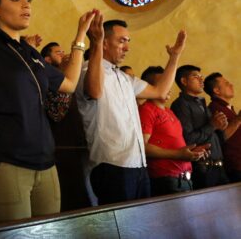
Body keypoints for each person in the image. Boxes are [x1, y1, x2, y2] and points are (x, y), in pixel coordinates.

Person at [0, 0, 96, 223]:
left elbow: (68, 85)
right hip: (4, 161)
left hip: (45, 161)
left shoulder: (31, 54)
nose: (26, 5)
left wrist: (81, 36)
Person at [76, 19, 187, 205]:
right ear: (103, 41)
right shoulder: (87, 69)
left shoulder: (125, 78)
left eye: (128, 41)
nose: (127, 47)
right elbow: (95, 91)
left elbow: (159, 91)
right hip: (112, 165)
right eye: (121, 41)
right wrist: (95, 43)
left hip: (138, 164)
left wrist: (174, 57)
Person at [138, 66, 207, 196]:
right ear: (149, 88)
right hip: (165, 179)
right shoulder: (146, 110)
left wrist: (192, 151)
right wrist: (178, 154)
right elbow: (142, 146)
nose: (168, 87)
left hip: (184, 178)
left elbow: (173, 144)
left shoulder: (169, 111)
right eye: (163, 83)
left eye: (168, 83)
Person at [171, 65, 229, 189]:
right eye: (196, 77)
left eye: (201, 77)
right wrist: (212, 125)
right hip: (202, 168)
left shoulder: (202, 103)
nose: (201, 80)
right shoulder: (181, 104)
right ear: (184, 81)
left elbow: (214, 135)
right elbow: (188, 139)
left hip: (218, 166)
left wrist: (220, 127)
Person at [204, 72, 241, 182]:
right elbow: (222, 138)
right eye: (226, 83)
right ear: (216, 91)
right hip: (235, 166)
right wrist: (238, 119)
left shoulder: (227, 108)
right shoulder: (215, 109)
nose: (231, 85)